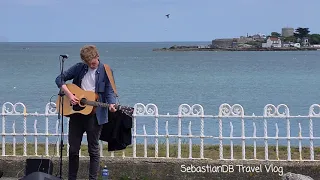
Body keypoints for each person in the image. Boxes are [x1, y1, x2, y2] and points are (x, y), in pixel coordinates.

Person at [55, 45, 117, 180]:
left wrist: (112, 104)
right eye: (88, 63)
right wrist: (70, 95)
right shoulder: (79, 67)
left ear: (97, 56)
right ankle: (72, 178)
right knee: (73, 150)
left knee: (93, 150)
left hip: (95, 116)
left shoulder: (106, 70)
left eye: (93, 62)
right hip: (76, 114)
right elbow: (59, 79)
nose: (91, 65)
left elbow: (110, 91)